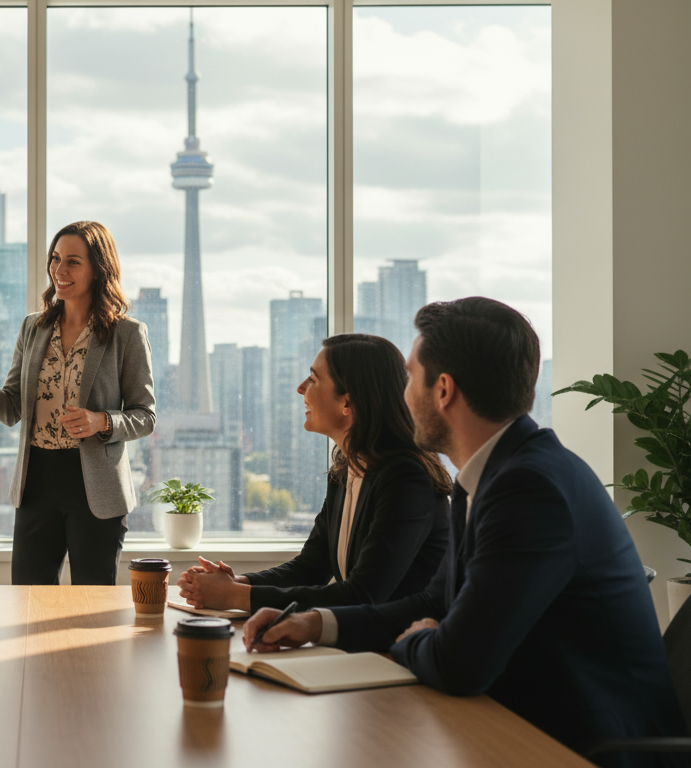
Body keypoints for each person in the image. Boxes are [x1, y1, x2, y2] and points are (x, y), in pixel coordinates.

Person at [240, 297, 685, 766]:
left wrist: (420, 639)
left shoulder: (529, 488)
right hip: (522, 724)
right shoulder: (489, 477)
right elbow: (433, 606)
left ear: (444, 390)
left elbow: (459, 665)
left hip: (584, 749)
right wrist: (317, 624)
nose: (400, 394)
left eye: (410, 377)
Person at [0, 221, 154, 585]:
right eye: (55, 259)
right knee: (27, 599)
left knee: (90, 602)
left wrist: (101, 421)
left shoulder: (127, 334)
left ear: (98, 269)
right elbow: (11, 408)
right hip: (36, 482)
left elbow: (145, 416)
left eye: (73, 261)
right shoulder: (33, 328)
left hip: (96, 488)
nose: (59, 270)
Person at [178, 334, 450, 613]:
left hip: (406, 649)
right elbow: (309, 568)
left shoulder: (405, 479)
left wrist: (235, 597)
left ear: (348, 403)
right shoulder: (346, 469)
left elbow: (363, 594)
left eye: (313, 380)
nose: (300, 389)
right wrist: (237, 583)